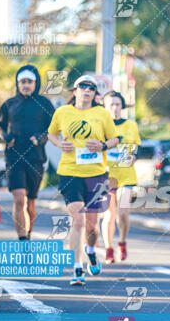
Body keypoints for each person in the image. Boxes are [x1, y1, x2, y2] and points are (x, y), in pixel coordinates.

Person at [47, 75, 120, 286]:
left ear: (95, 94)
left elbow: (115, 139)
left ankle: (91, 250)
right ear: (75, 91)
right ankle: (77, 268)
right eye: (82, 87)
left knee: (91, 227)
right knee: (77, 220)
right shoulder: (62, 112)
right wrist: (60, 144)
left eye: (91, 88)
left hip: (96, 174)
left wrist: (103, 145)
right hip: (69, 172)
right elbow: (51, 134)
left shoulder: (102, 114)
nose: (86, 90)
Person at [0, 65, 55, 240]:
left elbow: (54, 127)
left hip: (36, 157)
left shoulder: (44, 103)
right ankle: (21, 238)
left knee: (30, 204)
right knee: (19, 198)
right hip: (14, 157)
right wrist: (6, 136)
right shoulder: (9, 104)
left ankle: (28, 233)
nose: (26, 85)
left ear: (36, 83)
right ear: (17, 84)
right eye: (22, 82)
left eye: (29, 82)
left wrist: (40, 137)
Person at [102, 91, 141, 263]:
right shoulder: (102, 125)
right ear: (105, 106)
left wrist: (134, 156)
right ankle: (109, 248)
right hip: (107, 175)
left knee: (123, 213)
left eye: (117, 104)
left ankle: (122, 242)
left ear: (122, 106)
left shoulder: (131, 125)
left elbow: (135, 146)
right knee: (109, 215)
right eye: (111, 104)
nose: (115, 108)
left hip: (126, 175)